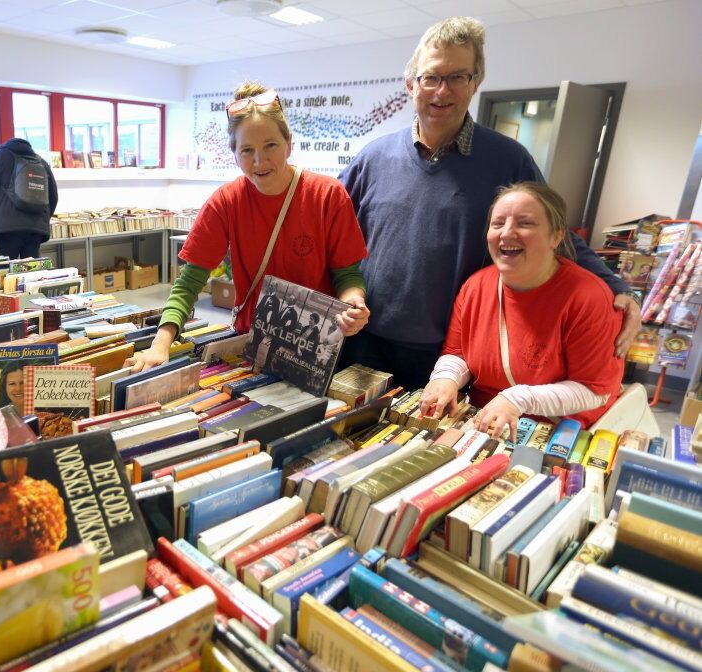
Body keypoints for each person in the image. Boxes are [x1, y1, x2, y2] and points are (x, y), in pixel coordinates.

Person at [338, 16, 639, 389]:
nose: (441, 91)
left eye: (457, 77)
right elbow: (329, 230)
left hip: (449, 354)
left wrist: (616, 286)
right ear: (410, 84)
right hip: (363, 342)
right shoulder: (373, 158)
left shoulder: (508, 160)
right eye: (431, 77)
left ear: (476, 83)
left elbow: (552, 234)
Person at [125, 81, 370, 373]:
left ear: (289, 142)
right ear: (234, 153)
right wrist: (160, 343)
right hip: (253, 345)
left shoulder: (327, 195)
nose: (259, 161)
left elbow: (348, 274)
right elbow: (189, 284)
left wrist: (353, 304)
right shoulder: (225, 202)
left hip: (315, 350)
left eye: (270, 146)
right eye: (247, 150)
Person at [419, 182, 623, 435]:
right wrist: (445, 378)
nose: (506, 233)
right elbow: (457, 353)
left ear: (556, 236)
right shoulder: (476, 286)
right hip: (486, 422)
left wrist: (519, 398)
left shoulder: (588, 297)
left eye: (525, 223)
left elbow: (595, 390)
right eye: (498, 223)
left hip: (559, 430)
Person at [0, 138, 59, 260]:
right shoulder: (41, 161)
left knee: (7, 272)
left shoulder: (0, 156)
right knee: (30, 272)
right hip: (35, 229)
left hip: (7, 228)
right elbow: (53, 197)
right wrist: (41, 218)